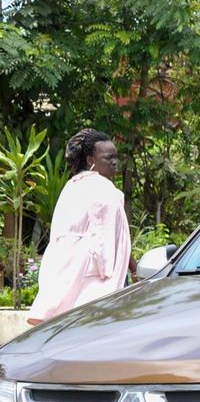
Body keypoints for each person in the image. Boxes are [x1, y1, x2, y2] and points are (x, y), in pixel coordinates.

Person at [26, 129, 134, 325]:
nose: (114, 162)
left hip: (62, 273)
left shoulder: (71, 187)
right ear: (90, 159)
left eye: (116, 157)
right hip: (93, 276)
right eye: (108, 157)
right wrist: (134, 270)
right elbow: (110, 239)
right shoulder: (103, 188)